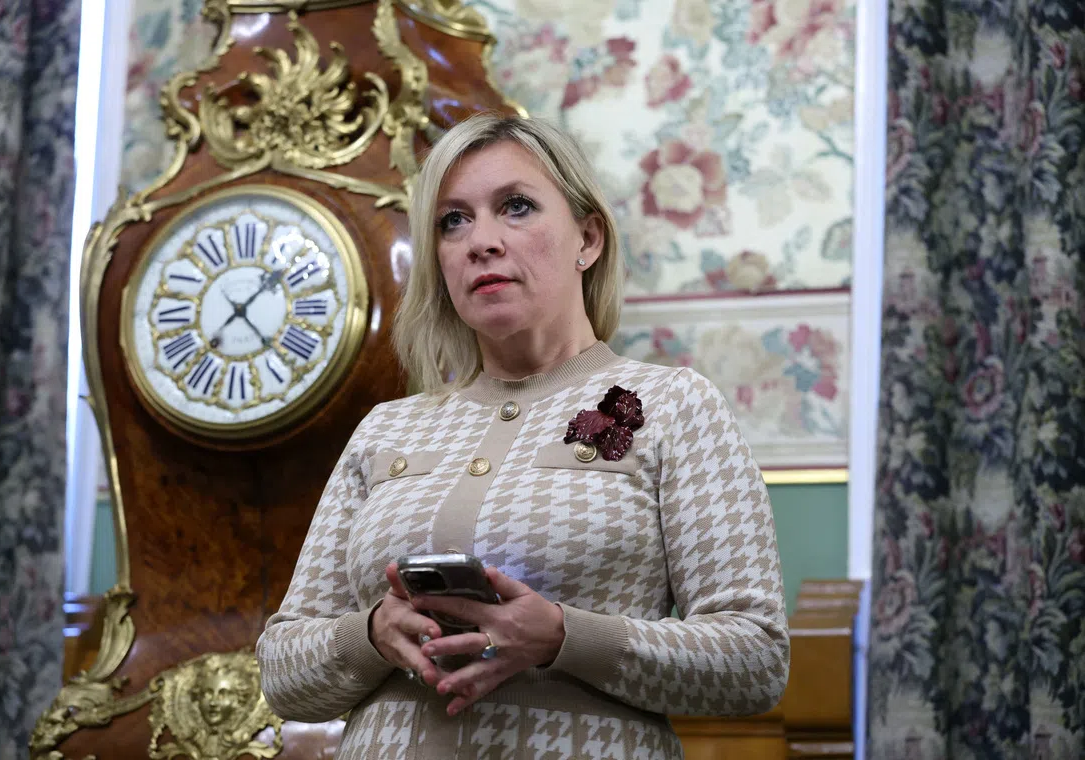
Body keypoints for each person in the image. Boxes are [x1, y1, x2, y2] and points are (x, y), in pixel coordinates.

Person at [255, 114, 789, 759]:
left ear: (586, 239)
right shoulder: (386, 428)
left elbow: (755, 660)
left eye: (515, 207)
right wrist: (369, 634)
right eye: (453, 221)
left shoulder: (673, 406)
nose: (481, 241)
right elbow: (283, 676)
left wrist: (565, 637)